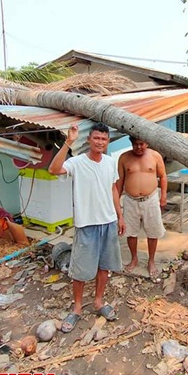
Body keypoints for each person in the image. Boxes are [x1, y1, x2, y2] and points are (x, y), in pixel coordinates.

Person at [48, 122, 126, 333]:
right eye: (96, 138)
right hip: (87, 224)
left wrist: (120, 216)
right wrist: (68, 142)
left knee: (104, 266)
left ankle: (99, 302)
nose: (100, 142)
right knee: (81, 270)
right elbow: (54, 169)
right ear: (89, 140)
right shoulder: (77, 162)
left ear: (107, 142)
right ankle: (77, 308)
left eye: (104, 139)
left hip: (108, 222)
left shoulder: (110, 163)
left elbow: (113, 189)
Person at [116, 136, 168, 282]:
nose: (139, 147)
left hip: (150, 199)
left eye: (141, 144)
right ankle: (134, 258)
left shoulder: (155, 156)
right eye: (135, 144)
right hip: (130, 200)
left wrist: (163, 197)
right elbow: (119, 182)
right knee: (130, 232)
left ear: (147, 142)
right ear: (131, 143)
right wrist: (116, 203)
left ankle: (151, 261)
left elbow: (163, 177)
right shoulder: (124, 158)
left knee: (153, 231)